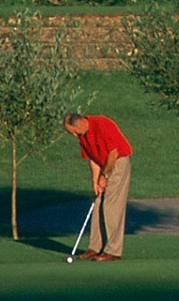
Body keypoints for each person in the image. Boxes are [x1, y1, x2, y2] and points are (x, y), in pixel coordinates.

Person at [64, 112, 132, 261]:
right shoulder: (83, 136)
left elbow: (114, 153)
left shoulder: (102, 124)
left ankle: (113, 250)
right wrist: (95, 180)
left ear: (80, 123)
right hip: (103, 165)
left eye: (73, 132)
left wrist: (104, 175)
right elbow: (92, 158)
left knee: (111, 204)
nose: (75, 136)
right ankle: (95, 247)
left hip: (118, 163)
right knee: (97, 202)